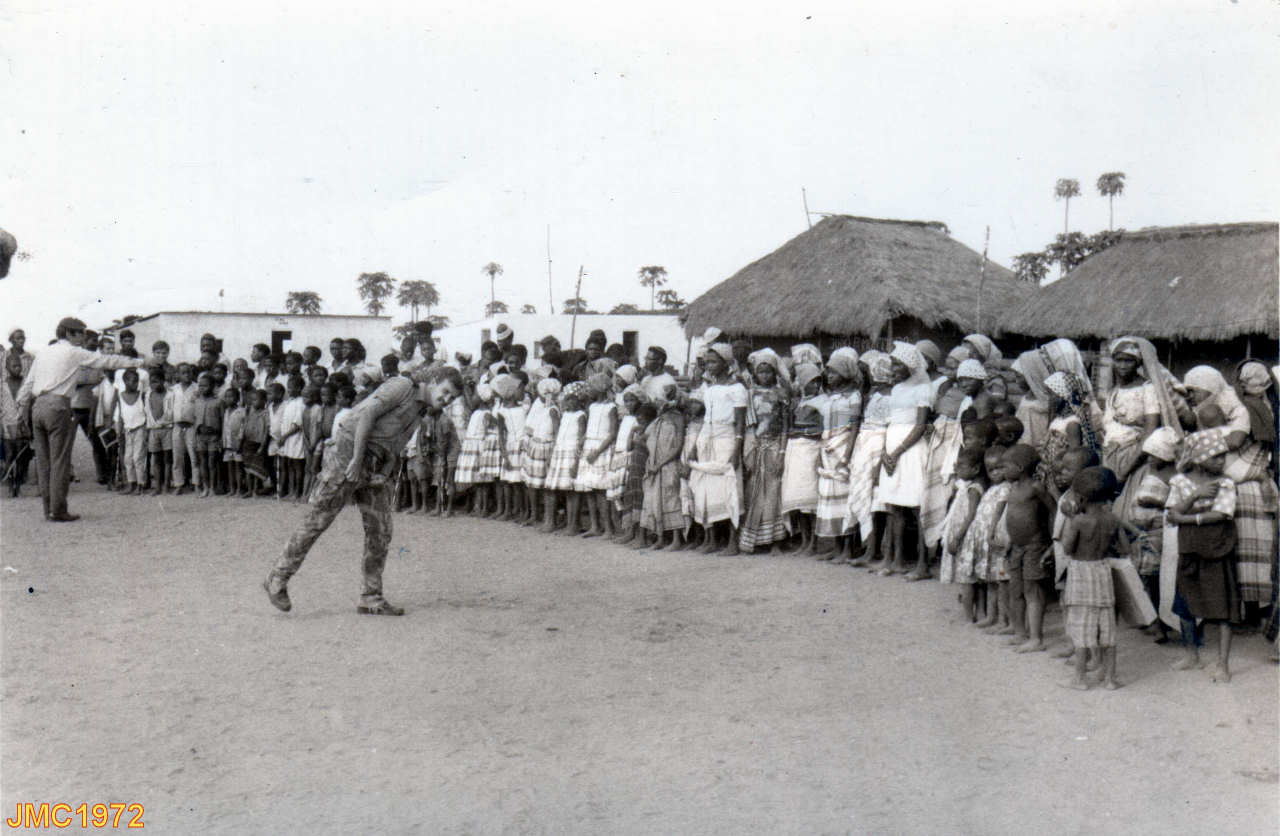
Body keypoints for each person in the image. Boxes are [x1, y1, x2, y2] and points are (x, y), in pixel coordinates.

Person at [265, 370, 461, 615]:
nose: (446, 399)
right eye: (445, 392)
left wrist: (385, 471)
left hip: (376, 464)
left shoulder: (422, 409)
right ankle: (278, 577)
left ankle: (371, 596)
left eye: (452, 398)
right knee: (318, 519)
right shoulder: (403, 386)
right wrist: (357, 460)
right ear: (433, 382)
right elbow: (367, 414)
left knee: (381, 531)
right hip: (350, 453)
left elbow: (396, 442)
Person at [15, 317, 144, 520]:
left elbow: (28, 384)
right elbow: (106, 361)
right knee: (59, 461)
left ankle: (48, 509)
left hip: (38, 406)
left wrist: (19, 410)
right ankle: (58, 510)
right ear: (69, 333)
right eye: (81, 333)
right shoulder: (73, 352)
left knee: (44, 461)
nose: (83, 337)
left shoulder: (44, 352)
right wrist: (139, 362)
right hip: (58, 406)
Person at [1165, 429, 1239, 682]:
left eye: (1223, 456)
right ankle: (1191, 655)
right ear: (1198, 458)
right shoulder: (1180, 482)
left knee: (1223, 608)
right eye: (1216, 456)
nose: (1221, 461)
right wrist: (1196, 495)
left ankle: (1223, 664)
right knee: (1186, 605)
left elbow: (1221, 514)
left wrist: (1186, 518)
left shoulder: (1226, 483)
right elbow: (1171, 513)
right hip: (1190, 549)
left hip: (1218, 549)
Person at [1060, 467, 1127, 690]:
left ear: (1081, 498)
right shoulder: (1112, 519)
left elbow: (1068, 548)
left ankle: (1079, 678)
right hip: (1103, 572)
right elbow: (1124, 548)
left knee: (1081, 630)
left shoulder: (1079, 521)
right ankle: (1110, 679)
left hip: (1081, 574)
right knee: (1107, 630)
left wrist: (1070, 518)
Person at [875, 342, 934, 578]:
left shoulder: (923, 389)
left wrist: (897, 451)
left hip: (910, 449)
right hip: (892, 447)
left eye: (898, 365)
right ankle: (896, 560)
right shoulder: (897, 389)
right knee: (893, 506)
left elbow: (920, 426)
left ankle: (922, 564)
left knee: (917, 506)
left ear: (910, 366)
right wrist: (885, 452)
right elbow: (890, 422)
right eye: (893, 364)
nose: (893, 369)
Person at [689, 343, 748, 555]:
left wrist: (736, 450)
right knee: (706, 489)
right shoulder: (710, 389)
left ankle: (733, 541)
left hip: (726, 440)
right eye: (707, 362)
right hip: (708, 440)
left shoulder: (737, 389)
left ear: (726, 363)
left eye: (713, 362)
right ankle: (712, 539)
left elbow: (740, 423)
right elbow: (707, 420)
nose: (709, 366)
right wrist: (695, 446)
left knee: (730, 488)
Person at [997, 444, 1055, 652]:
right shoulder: (1012, 488)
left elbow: (1053, 510)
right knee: (1016, 589)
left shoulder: (1036, 487)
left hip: (1035, 545)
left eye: (1006, 466)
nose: (1003, 470)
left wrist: (1053, 541)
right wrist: (1009, 541)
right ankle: (1020, 632)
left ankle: (1036, 638)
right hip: (1016, 546)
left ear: (1020, 467)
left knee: (1033, 590)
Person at [738, 351, 789, 554]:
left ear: (775, 372)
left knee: (774, 492)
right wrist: (749, 452)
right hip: (755, 446)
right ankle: (756, 540)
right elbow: (748, 427)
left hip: (774, 447)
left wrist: (782, 453)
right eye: (761, 372)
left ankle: (775, 541)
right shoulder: (750, 395)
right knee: (753, 492)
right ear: (755, 373)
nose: (765, 376)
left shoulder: (781, 394)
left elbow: (785, 426)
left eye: (768, 372)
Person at [815, 348, 861, 559]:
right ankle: (836, 547)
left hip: (843, 447)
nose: (829, 376)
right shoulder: (829, 397)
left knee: (845, 497)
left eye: (834, 372)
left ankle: (848, 548)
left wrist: (847, 456)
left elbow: (854, 428)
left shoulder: (854, 396)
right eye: (829, 372)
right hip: (828, 447)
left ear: (844, 373)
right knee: (830, 497)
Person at [639, 375, 687, 551]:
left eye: (659, 400)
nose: (657, 404)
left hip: (668, 464)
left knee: (671, 499)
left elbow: (678, 446)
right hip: (654, 465)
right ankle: (659, 538)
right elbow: (643, 437)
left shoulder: (678, 418)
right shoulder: (658, 420)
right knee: (654, 500)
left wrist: (659, 463)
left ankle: (676, 540)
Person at [779, 363, 823, 552]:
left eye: (817, 382)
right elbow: (789, 428)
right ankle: (804, 540)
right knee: (798, 499)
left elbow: (822, 429)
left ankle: (814, 542)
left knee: (810, 500)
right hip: (795, 452)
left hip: (811, 451)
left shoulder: (823, 402)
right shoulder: (795, 403)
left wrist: (802, 432)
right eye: (811, 381)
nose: (814, 385)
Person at [939, 447, 987, 621]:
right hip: (962, 534)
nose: (956, 469)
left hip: (966, 536)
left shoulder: (974, 489)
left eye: (961, 466)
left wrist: (958, 537)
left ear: (975, 469)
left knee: (966, 579)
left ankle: (969, 616)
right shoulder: (962, 486)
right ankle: (979, 613)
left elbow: (971, 514)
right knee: (972, 578)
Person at [966, 446, 1010, 630]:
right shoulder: (991, 489)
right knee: (991, 582)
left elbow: (998, 511)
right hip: (986, 543)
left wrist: (991, 530)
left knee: (1002, 582)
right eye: (991, 469)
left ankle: (1003, 620)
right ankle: (991, 616)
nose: (995, 473)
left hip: (996, 540)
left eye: (999, 468)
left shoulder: (1005, 488)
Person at [575, 373, 618, 538]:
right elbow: (590, 428)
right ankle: (594, 526)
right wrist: (582, 441)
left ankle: (608, 528)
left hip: (601, 449)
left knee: (601, 490)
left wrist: (598, 451)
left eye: (591, 387)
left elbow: (612, 433)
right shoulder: (592, 406)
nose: (588, 390)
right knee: (589, 489)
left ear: (600, 388)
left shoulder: (611, 407)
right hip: (589, 447)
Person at [546, 382, 588, 534]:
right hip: (560, 452)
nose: (569, 402)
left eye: (572, 399)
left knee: (572, 490)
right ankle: (551, 522)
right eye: (567, 399)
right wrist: (553, 453)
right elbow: (558, 435)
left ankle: (573, 524)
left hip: (571, 453)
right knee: (553, 488)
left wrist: (576, 460)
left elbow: (581, 438)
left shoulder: (581, 415)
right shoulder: (565, 414)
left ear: (579, 400)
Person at [520, 378, 561, 527]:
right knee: (532, 483)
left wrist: (552, 452)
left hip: (546, 447)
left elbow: (556, 433)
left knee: (547, 485)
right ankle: (534, 514)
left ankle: (549, 519)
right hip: (535, 446)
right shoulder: (539, 407)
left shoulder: (553, 410)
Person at [1, 349, 33, 497]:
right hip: (7, 423)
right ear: (7, 367)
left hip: (22, 423)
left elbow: (31, 404)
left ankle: (18, 486)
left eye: (19, 365)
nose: (17, 368)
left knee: (21, 456)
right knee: (9, 455)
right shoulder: (2, 385)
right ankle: (10, 484)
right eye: (14, 366)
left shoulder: (27, 384)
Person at [168, 363, 200, 494]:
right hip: (177, 426)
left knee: (194, 455)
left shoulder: (197, 388)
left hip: (191, 426)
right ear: (178, 375)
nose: (186, 375)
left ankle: (196, 482)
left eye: (189, 372)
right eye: (183, 373)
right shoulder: (173, 389)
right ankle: (178, 483)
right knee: (177, 456)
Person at [193, 373, 223, 497]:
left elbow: (222, 419)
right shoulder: (197, 401)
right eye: (200, 386)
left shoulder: (218, 401)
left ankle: (212, 487)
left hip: (214, 436)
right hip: (201, 436)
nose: (202, 388)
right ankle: (205, 487)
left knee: (212, 462)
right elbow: (195, 419)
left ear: (212, 386)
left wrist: (221, 437)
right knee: (202, 462)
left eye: (205, 386)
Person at [221, 387, 245, 498]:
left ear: (237, 398)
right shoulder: (226, 411)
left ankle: (239, 489)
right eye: (226, 397)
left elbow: (242, 428)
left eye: (231, 397)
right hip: (227, 444)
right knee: (230, 467)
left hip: (237, 444)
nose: (228, 399)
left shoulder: (242, 411)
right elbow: (225, 427)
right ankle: (232, 489)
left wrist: (239, 441)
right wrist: (223, 441)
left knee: (238, 467)